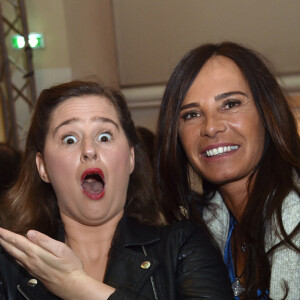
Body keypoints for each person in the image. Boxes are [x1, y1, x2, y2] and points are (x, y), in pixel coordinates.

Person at [0, 80, 233, 299]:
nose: (89, 150)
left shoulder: (182, 247)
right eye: (69, 139)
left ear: (130, 157)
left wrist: (77, 286)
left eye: (104, 136)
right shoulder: (9, 268)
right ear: (43, 168)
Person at [155, 42, 300, 299]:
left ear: (267, 112)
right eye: (191, 115)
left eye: (231, 104)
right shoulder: (203, 227)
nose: (211, 127)